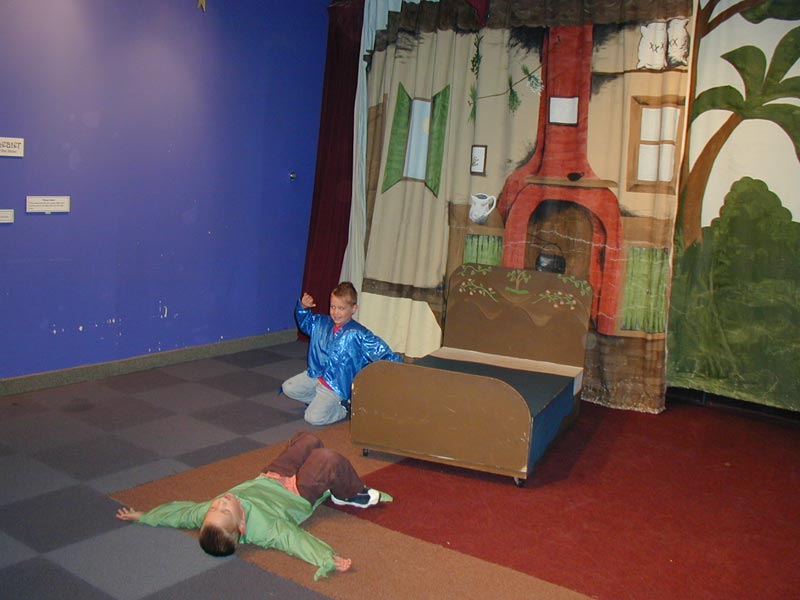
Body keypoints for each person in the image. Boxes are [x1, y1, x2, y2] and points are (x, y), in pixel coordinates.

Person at [115, 431, 392, 581]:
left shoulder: (207, 514)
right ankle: (349, 493)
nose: (220, 502)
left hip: (271, 477)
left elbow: (180, 514)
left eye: (214, 509)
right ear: (242, 524)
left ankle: (325, 475)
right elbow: (294, 540)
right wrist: (325, 558)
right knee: (327, 459)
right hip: (297, 494)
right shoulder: (266, 529)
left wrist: (146, 516)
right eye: (225, 511)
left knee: (307, 440)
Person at [282, 281, 402, 425]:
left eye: (341, 308)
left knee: (312, 418)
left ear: (353, 309)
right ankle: (319, 402)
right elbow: (306, 324)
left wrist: (402, 368)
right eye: (333, 307)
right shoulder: (321, 323)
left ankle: (343, 408)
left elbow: (382, 352)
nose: (336, 312)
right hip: (316, 375)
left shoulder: (358, 333)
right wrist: (303, 308)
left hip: (336, 386)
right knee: (288, 387)